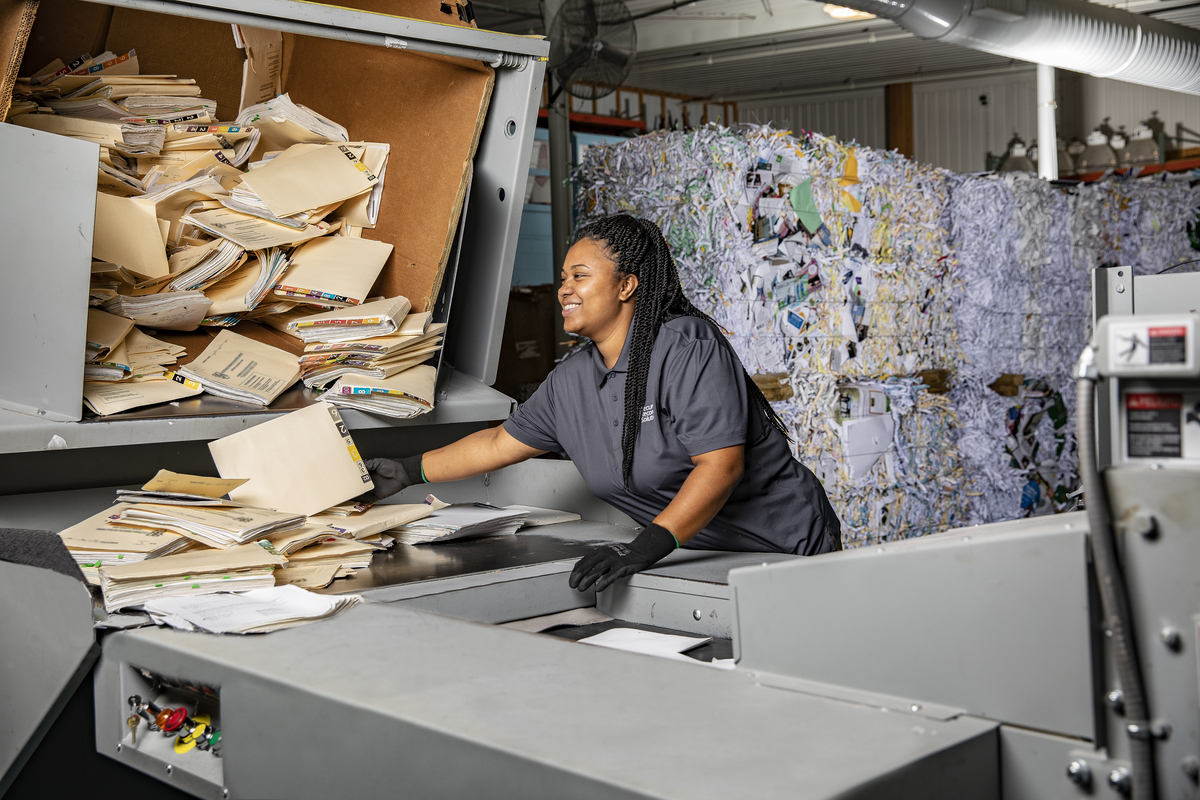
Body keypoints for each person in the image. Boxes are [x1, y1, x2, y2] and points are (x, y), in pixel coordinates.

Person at [363, 215, 841, 593]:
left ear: (627, 285)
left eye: (580, 275)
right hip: (704, 556)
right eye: (563, 277)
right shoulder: (572, 381)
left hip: (788, 548)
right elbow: (495, 444)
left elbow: (720, 466)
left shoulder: (685, 348)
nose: (563, 289)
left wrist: (643, 548)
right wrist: (406, 470)